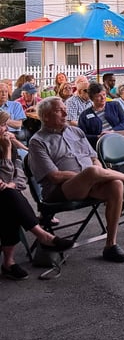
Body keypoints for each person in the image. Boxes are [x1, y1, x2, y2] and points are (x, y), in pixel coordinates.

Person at [29, 97, 124, 263]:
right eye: (59, 110)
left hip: (91, 183)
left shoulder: (76, 131)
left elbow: (94, 157)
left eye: (64, 109)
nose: (66, 113)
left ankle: (111, 245)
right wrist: (90, 175)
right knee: (92, 171)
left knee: (116, 184)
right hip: (59, 191)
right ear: (45, 116)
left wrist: (95, 174)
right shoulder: (37, 141)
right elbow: (54, 176)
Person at [0, 111, 75, 279]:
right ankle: (42, 238)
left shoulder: (9, 146)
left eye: (6, 125)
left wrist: (11, 184)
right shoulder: (6, 147)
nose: (6, 129)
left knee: (9, 198)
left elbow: (19, 178)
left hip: (6, 195)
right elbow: (4, 177)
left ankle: (10, 261)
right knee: (9, 198)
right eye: (2, 125)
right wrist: (6, 152)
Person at [77, 82, 124, 158]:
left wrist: (112, 131)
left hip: (119, 133)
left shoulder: (114, 105)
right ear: (92, 98)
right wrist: (97, 136)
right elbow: (82, 135)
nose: (103, 98)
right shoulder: (84, 115)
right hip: (101, 139)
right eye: (99, 96)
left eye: (104, 94)